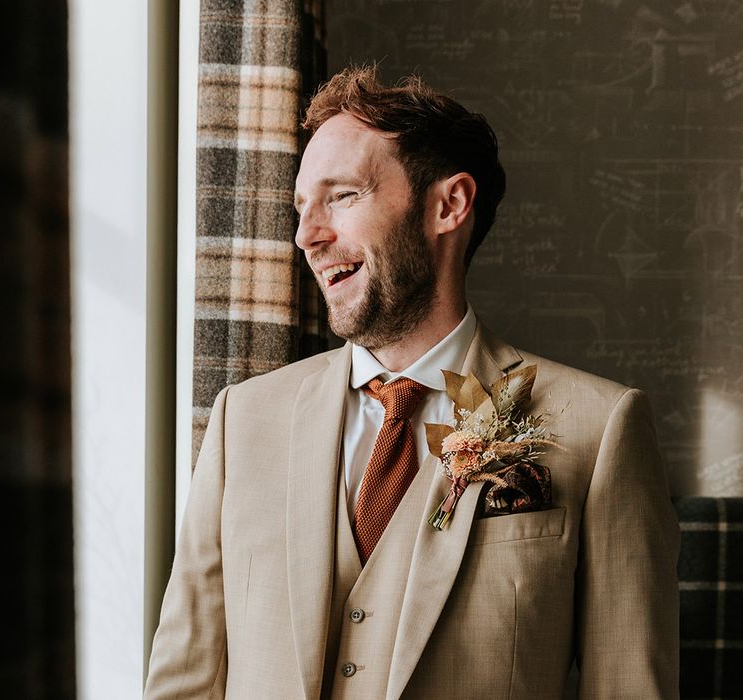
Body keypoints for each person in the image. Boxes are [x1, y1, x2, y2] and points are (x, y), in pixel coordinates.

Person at [144, 67, 680, 699]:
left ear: (448, 205)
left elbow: (628, 688)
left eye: (341, 196)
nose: (307, 236)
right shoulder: (244, 420)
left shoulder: (600, 426)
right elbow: (186, 681)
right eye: (301, 207)